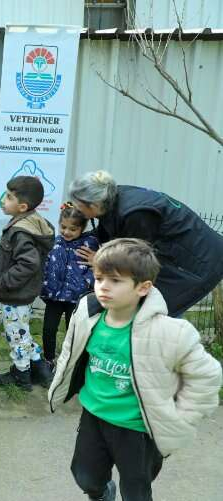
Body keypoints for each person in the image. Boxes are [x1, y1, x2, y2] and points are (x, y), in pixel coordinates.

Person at [48, 238, 222, 501]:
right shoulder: (87, 313)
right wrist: (58, 386)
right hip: (94, 416)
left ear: (143, 287)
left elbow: (206, 376)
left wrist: (182, 418)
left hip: (137, 429)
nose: (103, 287)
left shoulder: (169, 332)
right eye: (99, 278)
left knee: (136, 492)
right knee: (85, 477)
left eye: (115, 281)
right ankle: (103, 492)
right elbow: (68, 353)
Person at [69, 170, 223, 317]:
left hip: (199, 262)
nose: (76, 211)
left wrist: (101, 260)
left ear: (94, 205)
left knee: (160, 310)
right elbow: (111, 229)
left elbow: (136, 258)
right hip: (179, 254)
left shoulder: (135, 213)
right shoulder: (111, 197)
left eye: (79, 208)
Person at [0, 176, 55, 391]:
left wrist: (5, 282)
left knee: (16, 336)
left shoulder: (21, 231)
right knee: (22, 332)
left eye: (9, 197)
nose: (3, 200)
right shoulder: (28, 222)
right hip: (21, 294)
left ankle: (21, 376)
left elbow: (29, 263)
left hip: (15, 295)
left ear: (22, 207)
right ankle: (40, 369)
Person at [40, 202, 99, 367]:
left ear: (82, 228)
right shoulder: (54, 243)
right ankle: (49, 360)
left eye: (73, 229)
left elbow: (95, 268)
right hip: (54, 296)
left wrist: (87, 282)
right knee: (48, 329)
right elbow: (45, 265)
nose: (66, 232)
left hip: (77, 297)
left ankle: (71, 361)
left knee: (73, 330)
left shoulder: (90, 244)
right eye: (63, 227)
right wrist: (44, 285)